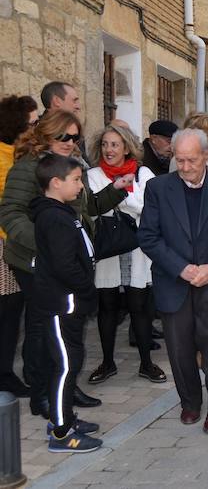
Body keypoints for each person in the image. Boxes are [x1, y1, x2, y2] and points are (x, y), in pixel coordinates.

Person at [0, 111, 122, 418]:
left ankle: (63, 387)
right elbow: (11, 214)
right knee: (42, 328)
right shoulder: (28, 167)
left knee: (67, 327)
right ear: (46, 135)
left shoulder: (72, 166)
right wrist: (48, 244)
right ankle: (43, 393)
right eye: (63, 136)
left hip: (66, 260)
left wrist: (115, 191)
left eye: (75, 137)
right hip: (34, 261)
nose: (70, 142)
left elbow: (88, 207)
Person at [138, 128, 208, 433]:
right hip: (174, 282)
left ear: (206, 156)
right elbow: (148, 236)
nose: (184, 167)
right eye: (179, 160)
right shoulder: (158, 188)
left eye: (191, 160)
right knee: (179, 347)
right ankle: (190, 402)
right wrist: (181, 268)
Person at [32, 154, 103, 453]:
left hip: (69, 302)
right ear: (56, 182)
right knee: (65, 366)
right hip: (64, 304)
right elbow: (65, 266)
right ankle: (61, 434)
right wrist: (87, 287)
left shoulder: (62, 212)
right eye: (76, 180)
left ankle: (66, 418)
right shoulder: (54, 217)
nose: (81, 185)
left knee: (67, 362)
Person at [85, 124, 166, 385]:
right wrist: (122, 192)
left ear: (127, 147)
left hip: (137, 246)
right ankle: (108, 362)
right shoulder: (93, 174)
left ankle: (146, 363)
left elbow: (152, 208)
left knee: (139, 306)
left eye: (115, 145)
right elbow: (92, 208)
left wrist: (118, 195)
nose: (109, 150)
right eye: (106, 144)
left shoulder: (143, 173)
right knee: (107, 306)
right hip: (107, 246)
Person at [0, 95, 38, 397]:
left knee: (13, 312)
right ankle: (3, 375)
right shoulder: (5, 157)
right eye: (33, 122)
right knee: (8, 311)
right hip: (4, 244)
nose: (36, 126)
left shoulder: (16, 154)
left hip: (12, 242)